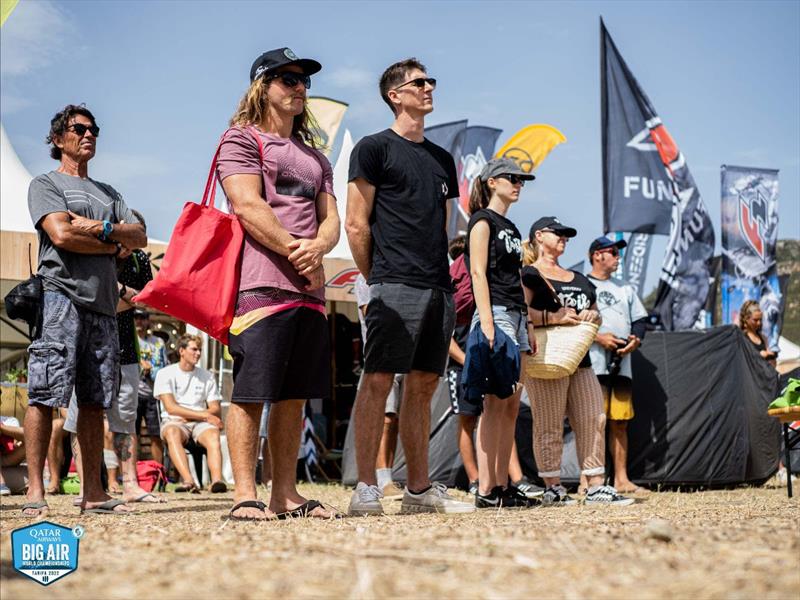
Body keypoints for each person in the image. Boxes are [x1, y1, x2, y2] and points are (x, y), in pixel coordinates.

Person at [346, 57, 474, 515]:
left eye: (431, 81)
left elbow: (443, 229)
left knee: (422, 387)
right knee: (378, 381)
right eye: (419, 83)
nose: (429, 88)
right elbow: (356, 225)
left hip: (437, 285)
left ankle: (418, 491)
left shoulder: (442, 159)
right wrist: (375, 278)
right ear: (393, 95)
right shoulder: (373, 148)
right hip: (391, 282)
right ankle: (366, 488)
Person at [217, 47, 340, 520]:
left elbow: (331, 220)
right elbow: (248, 207)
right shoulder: (241, 139)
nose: (300, 87)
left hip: (308, 289)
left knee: (293, 395)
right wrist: (300, 250)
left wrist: (320, 248)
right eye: (287, 79)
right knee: (251, 391)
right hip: (261, 284)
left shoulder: (315, 157)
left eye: (304, 80)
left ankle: (284, 494)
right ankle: (244, 493)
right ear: (261, 86)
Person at [24, 104, 147, 516]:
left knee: (95, 401)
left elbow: (140, 235)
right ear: (59, 139)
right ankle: (35, 490)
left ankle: (93, 492)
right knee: (44, 395)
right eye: (79, 128)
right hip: (60, 296)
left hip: (103, 307)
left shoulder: (109, 193)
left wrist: (101, 229)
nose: (89, 134)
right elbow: (60, 234)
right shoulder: (45, 184)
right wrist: (113, 242)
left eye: (94, 128)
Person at [521, 217, 633, 506]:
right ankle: (553, 487)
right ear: (539, 236)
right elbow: (519, 311)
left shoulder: (579, 278)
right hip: (546, 356)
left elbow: (595, 311)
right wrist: (553, 317)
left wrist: (593, 317)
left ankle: (595, 486)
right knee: (549, 423)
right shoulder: (529, 274)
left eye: (566, 235)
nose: (563, 238)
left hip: (579, 358)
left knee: (594, 417)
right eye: (557, 233)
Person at [63, 216, 164, 503]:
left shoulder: (141, 260)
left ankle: (131, 484)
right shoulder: (92, 250)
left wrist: (116, 292)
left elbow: (146, 299)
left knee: (125, 421)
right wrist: (121, 295)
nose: (130, 243)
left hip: (126, 352)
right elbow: (87, 296)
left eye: (136, 236)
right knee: (78, 418)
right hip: (88, 347)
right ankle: (86, 486)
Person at [464, 158, 536, 509]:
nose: (518, 183)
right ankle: (486, 488)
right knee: (493, 403)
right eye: (512, 178)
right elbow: (477, 272)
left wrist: (531, 324)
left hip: (518, 318)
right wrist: (488, 321)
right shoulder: (482, 221)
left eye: (521, 179)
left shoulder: (512, 227)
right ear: (492, 182)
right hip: (497, 316)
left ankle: (503, 485)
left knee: (510, 406)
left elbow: (517, 278)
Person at [586, 236, 649, 494]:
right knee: (593, 421)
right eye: (613, 252)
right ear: (597, 255)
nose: (617, 257)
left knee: (620, 421)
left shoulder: (626, 288)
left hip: (622, 365)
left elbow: (641, 321)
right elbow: (572, 320)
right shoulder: (583, 283)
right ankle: (589, 480)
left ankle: (621, 479)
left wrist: (635, 340)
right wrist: (599, 337)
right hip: (593, 364)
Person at [154, 334, 227, 493]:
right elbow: (171, 408)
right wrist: (206, 415)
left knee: (213, 433)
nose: (198, 353)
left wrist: (201, 416)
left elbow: (215, 408)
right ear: (181, 351)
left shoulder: (207, 376)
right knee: (172, 432)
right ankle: (188, 481)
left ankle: (216, 481)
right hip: (175, 422)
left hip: (199, 423)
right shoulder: (165, 373)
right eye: (194, 349)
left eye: (200, 350)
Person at [354, 273, 404, 499]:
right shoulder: (364, 278)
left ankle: (387, 475)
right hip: (380, 356)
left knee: (393, 421)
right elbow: (372, 314)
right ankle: (380, 480)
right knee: (384, 419)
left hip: (400, 355)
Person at [135, 310, 167, 464]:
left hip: (153, 393)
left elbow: (164, 368)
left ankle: (159, 474)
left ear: (148, 321)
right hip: (133, 392)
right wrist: (140, 365)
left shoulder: (158, 342)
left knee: (155, 434)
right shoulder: (129, 341)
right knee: (131, 434)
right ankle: (128, 475)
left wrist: (150, 369)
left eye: (142, 318)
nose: (139, 322)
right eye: (136, 318)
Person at [738, 300, 777, 367]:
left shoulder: (763, 337)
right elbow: (740, 362)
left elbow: (773, 364)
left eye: (760, 320)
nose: (759, 323)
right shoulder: (741, 338)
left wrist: (771, 357)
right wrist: (758, 355)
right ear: (746, 319)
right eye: (755, 320)